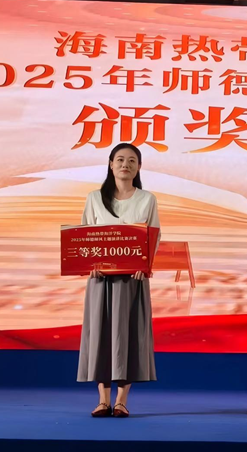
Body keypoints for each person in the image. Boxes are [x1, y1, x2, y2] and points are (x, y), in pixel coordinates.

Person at [77, 143, 160, 418]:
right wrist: (90, 265)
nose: (126, 164)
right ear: (111, 164)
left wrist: (145, 266)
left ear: (139, 167)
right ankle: (102, 400)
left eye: (132, 160)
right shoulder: (94, 198)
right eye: (120, 159)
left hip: (132, 280)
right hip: (100, 281)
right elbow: (84, 236)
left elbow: (153, 236)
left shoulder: (147, 199)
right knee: (101, 337)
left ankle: (122, 401)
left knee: (128, 336)